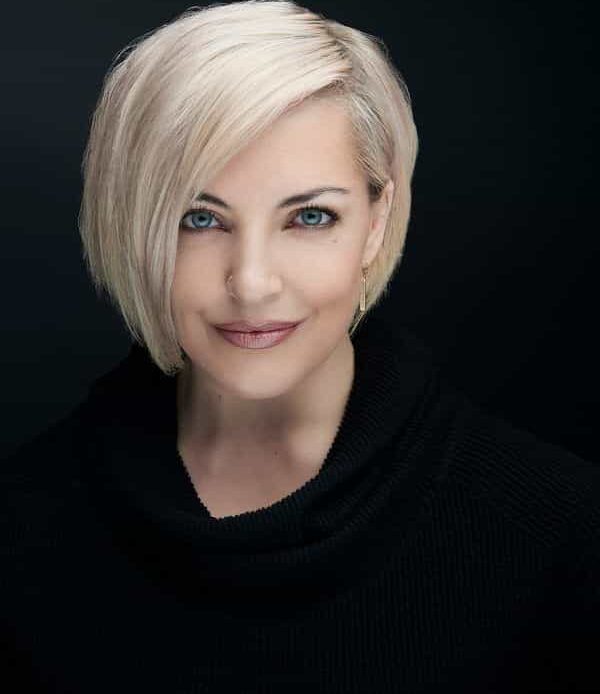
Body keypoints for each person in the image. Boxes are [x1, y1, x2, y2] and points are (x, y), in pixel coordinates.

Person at [1, 1, 598, 692]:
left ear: (376, 222)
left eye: (310, 216)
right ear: (131, 222)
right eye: (199, 219)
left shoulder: (559, 530)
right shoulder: (22, 527)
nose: (253, 282)